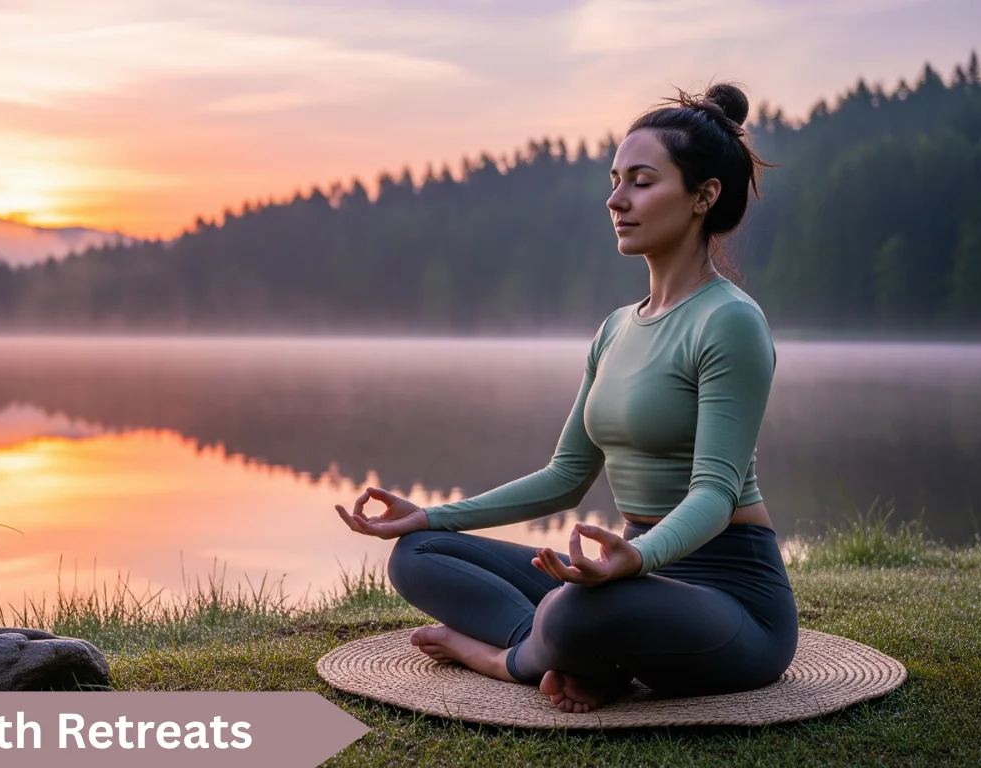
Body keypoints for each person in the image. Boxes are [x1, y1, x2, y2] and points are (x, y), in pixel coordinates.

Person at [334, 82, 796, 714]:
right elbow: (565, 477)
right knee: (419, 556)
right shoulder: (616, 328)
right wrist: (432, 516)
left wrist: (636, 557)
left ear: (703, 196)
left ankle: (504, 657)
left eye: (640, 181)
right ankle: (565, 651)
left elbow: (715, 494)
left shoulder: (729, 322)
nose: (615, 199)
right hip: (634, 575)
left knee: (576, 607)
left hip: (731, 600)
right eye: (614, 180)